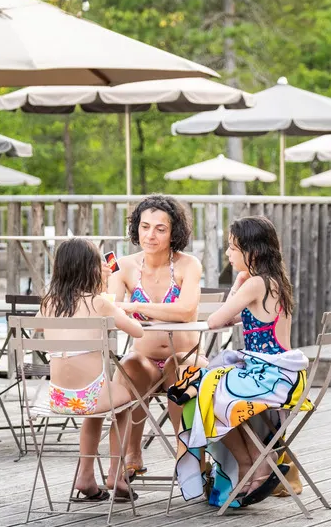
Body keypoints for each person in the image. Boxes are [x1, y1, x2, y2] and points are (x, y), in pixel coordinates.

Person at [168, 216, 310, 509]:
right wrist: (238, 289)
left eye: (233, 248)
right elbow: (236, 318)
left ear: (252, 252)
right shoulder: (275, 281)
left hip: (269, 377)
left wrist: (236, 286)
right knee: (210, 385)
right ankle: (253, 460)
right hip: (283, 375)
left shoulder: (255, 283)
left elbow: (215, 320)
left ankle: (249, 461)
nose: (228, 254)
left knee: (204, 390)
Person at [38, 238, 146, 502]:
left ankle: (86, 476)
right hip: (90, 396)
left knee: (100, 403)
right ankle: (115, 475)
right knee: (126, 401)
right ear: (90, 269)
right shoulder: (99, 303)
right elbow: (138, 331)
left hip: (58, 397)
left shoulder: (48, 303)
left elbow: (36, 328)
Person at [108, 194, 205, 477]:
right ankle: (131, 454)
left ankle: (186, 454)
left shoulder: (189, 264)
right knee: (129, 364)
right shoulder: (122, 266)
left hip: (186, 358)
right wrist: (102, 283)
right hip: (146, 361)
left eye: (160, 229)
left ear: (174, 232)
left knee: (179, 364)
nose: (150, 235)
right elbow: (111, 308)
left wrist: (136, 307)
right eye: (145, 226)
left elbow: (186, 310)